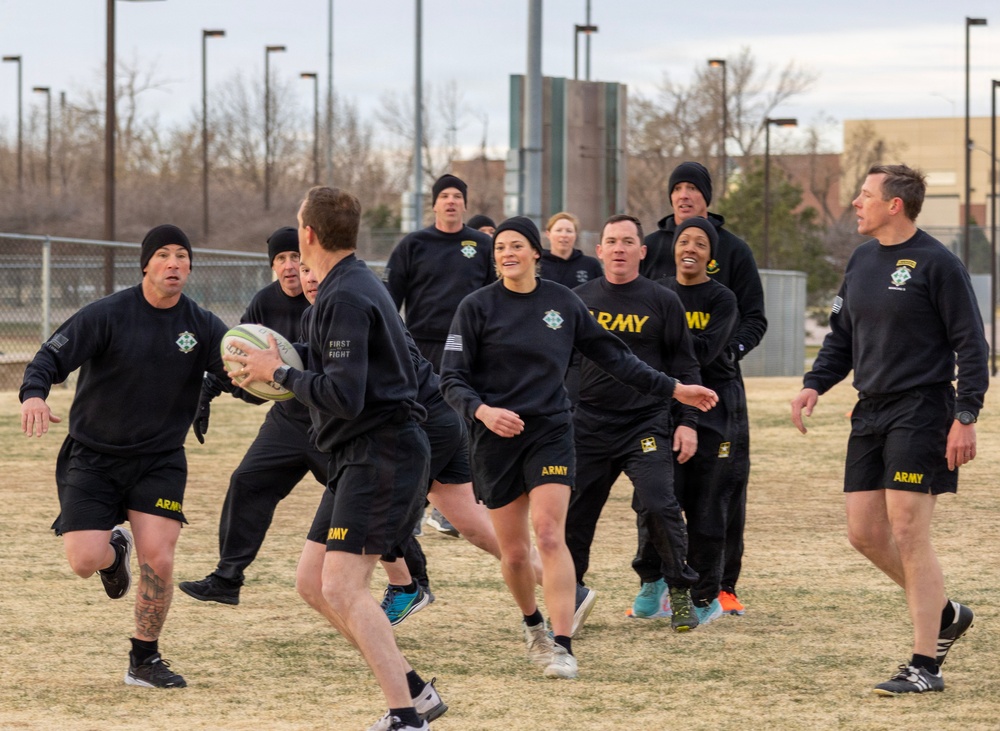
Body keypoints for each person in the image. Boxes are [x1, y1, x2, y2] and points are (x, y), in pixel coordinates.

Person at [440, 216, 718, 680]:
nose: (506, 253)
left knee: (549, 534)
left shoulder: (563, 303)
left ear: (535, 253)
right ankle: (533, 627)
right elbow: (450, 377)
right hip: (495, 439)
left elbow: (618, 359)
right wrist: (483, 412)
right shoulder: (476, 307)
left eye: (516, 246)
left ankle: (563, 645)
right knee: (513, 554)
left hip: (551, 431)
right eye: (500, 248)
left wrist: (675, 389)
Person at [233, 187, 440, 731]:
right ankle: (414, 690)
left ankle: (406, 717)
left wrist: (275, 373)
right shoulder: (349, 284)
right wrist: (281, 368)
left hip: (382, 452)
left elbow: (344, 395)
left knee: (343, 586)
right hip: (358, 452)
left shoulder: (345, 296)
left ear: (307, 235)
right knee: (312, 582)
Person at [791, 164, 986, 696]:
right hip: (869, 410)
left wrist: (964, 416)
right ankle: (943, 611)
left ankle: (926, 664)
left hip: (922, 408)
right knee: (864, 533)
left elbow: (973, 345)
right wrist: (815, 384)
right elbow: (841, 339)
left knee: (907, 530)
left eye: (865, 194)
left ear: (894, 204)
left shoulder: (938, 263)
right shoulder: (860, 259)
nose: (856, 202)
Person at [19, 224, 229, 689]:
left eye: (182, 256)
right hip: (94, 456)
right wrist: (34, 395)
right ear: (146, 265)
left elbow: (238, 372)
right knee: (82, 560)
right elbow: (47, 359)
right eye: (163, 255)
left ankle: (144, 661)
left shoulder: (203, 325)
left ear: (190, 266)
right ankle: (114, 553)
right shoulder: (107, 314)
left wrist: (269, 381)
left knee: (161, 558)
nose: (173, 263)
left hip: (160, 460)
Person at [564, 214, 704, 633]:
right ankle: (568, 594)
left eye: (628, 241)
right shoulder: (578, 299)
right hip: (586, 426)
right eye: (612, 241)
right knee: (573, 516)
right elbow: (559, 360)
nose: (620, 248)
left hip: (644, 425)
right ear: (600, 250)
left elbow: (686, 366)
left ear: (642, 251)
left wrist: (689, 422)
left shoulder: (662, 301)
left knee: (661, 506)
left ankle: (679, 592)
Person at [640, 160, 766, 615]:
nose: (685, 195)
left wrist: (727, 351)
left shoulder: (734, 251)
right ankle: (654, 581)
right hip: (664, 391)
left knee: (721, 491)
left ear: (707, 198)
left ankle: (722, 585)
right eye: (679, 188)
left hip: (718, 391)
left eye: (694, 188)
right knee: (657, 486)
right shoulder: (650, 247)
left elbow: (756, 317)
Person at [179, 226, 314, 606]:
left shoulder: (328, 299)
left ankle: (410, 578)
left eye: (297, 259)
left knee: (364, 500)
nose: (290, 267)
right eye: (281, 260)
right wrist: (209, 388)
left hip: (335, 421)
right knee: (248, 481)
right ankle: (227, 578)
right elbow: (239, 360)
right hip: (288, 420)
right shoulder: (263, 304)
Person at [634, 216, 741, 627]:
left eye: (700, 243)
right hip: (664, 404)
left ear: (711, 256)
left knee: (707, 503)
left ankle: (705, 594)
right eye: (684, 241)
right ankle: (653, 579)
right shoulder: (658, 291)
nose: (690, 248)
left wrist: (667, 343)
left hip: (714, 406)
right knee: (654, 498)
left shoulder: (722, 299)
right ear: (674, 248)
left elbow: (703, 353)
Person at [383, 173, 494, 370]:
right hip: (422, 342)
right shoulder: (413, 244)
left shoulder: (484, 244)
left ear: (465, 205)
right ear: (434, 205)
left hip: (469, 340)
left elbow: (495, 296)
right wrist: (396, 341)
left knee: (463, 399)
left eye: (457, 196)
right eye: (444, 196)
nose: (451, 200)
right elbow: (389, 297)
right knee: (424, 399)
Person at [540, 211, 603, 288]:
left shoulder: (590, 265)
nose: (564, 235)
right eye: (558, 230)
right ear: (548, 234)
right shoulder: (538, 265)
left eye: (569, 231)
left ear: (575, 235)